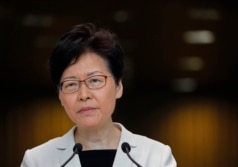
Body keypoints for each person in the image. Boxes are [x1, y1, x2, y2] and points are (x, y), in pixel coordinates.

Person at [20, 23, 177, 167]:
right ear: (60, 95)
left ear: (118, 86)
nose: (83, 95)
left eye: (94, 80)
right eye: (71, 84)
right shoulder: (37, 160)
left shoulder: (156, 157)